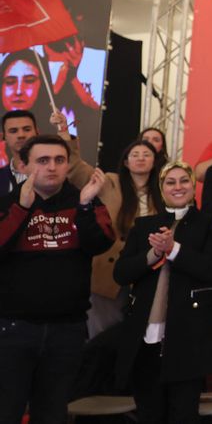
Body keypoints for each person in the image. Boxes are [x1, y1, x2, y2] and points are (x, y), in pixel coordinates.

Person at [0, 135, 110, 424]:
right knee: (6, 411)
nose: (52, 167)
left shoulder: (84, 200)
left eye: (59, 160)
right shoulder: (8, 204)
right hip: (13, 330)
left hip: (67, 331)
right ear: (24, 165)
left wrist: (85, 207)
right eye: (43, 160)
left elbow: (100, 243)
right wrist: (21, 210)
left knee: (53, 415)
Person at [112, 162, 212, 424]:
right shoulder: (144, 225)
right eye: (170, 182)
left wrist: (174, 249)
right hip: (144, 339)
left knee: (183, 416)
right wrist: (153, 254)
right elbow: (121, 273)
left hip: (189, 339)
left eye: (183, 180)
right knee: (149, 415)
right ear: (161, 189)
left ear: (193, 185)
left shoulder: (209, 224)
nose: (177, 187)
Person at [85, 139, 166, 337]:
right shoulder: (110, 182)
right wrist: (65, 133)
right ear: (126, 162)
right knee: (103, 335)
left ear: (155, 162)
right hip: (109, 270)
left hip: (148, 270)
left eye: (146, 155)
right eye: (135, 155)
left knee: (140, 334)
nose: (140, 158)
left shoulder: (164, 190)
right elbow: (76, 168)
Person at [0, 109, 37, 193]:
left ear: (37, 132)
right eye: (13, 131)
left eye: (27, 129)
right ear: (3, 137)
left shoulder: (52, 171)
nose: (21, 135)